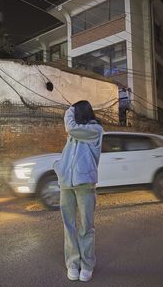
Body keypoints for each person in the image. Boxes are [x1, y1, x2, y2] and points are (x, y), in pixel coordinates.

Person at [53, 100, 103, 282]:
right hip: (66, 184)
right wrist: (59, 167)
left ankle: (87, 264)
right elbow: (69, 154)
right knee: (69, 225)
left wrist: (69, 110)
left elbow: (70, 128)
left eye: (74, 110)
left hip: (85, 185)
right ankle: (73, 263)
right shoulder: (76, 133)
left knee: (86, 227)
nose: (71, 113)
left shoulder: (95, 130)